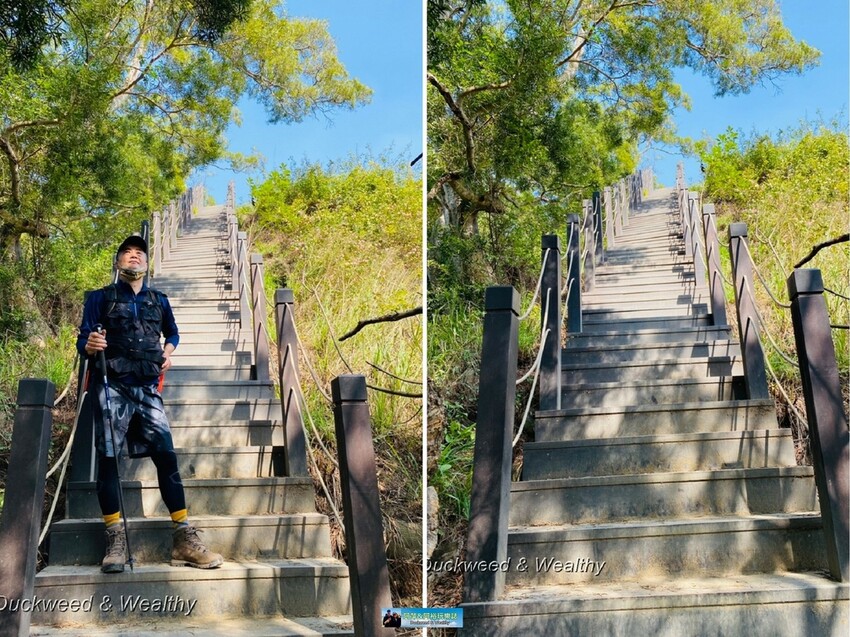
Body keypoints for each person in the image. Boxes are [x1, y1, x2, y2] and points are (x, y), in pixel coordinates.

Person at [78, 234, 223, 573]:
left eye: (139, 253)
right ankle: (115, 538)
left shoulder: (159, 300)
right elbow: (84, 338)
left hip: (147, 388)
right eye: (126, 252)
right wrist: (90, 344)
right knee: (109, 459)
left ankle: (183, 538)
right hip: (111, 386)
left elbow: (173, 333)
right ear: (118, 262)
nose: (133, 256)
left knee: (166, 456)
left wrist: (168, 353)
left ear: (147, 263)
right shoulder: (99, 298)